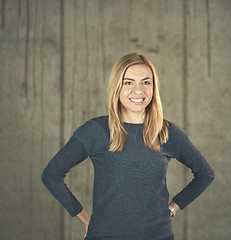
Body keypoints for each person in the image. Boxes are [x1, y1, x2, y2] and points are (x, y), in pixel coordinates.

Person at [41, 52, 215, 240]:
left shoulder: (168, 132)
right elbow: (51, 175)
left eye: (146, 82)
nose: (138, 90)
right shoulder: (95, 131)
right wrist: (85, 219)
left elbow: (205, 174)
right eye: (128, 82)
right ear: (117, 87)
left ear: (154, 88)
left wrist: (172, 208)